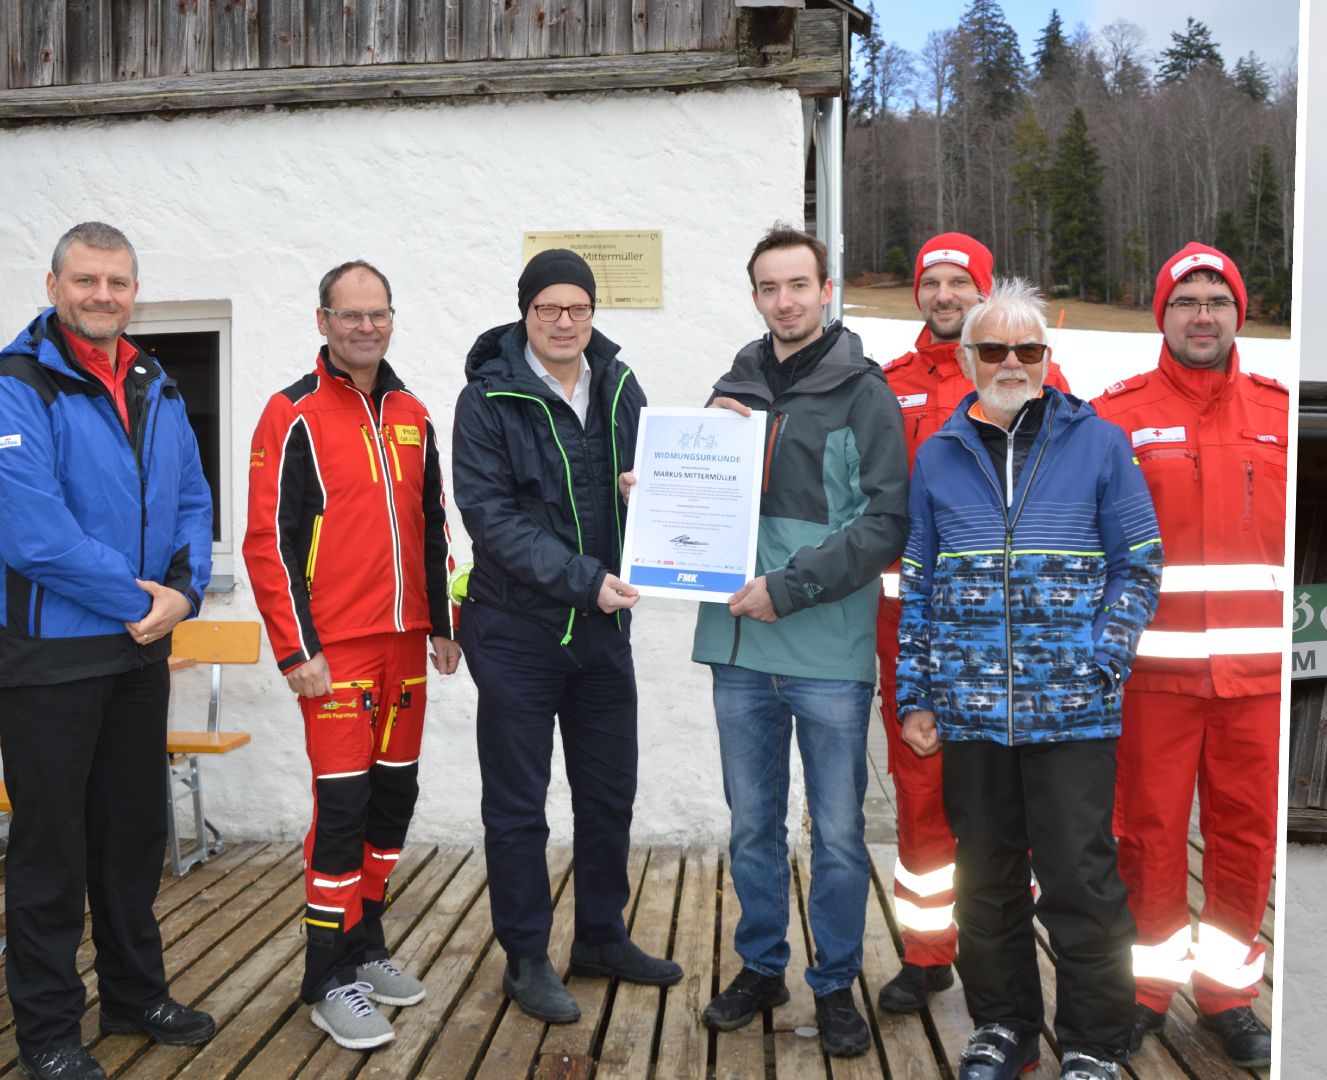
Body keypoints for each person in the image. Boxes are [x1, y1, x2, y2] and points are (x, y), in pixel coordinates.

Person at [897, 277, 1162, 1080]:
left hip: (1072, 711)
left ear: (1047, 357)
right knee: (986, 880)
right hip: (972, 710)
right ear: (967, 359)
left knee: (1081, 878)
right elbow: (919, 581)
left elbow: (1140, 564)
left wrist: (1103, 658)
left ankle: (1093, 1040)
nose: (1011, 362)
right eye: (994, 349)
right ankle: (1005, 1026)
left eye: (1028, 349)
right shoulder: (938, 455)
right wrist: (916, 692)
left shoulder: (1099, 443)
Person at [0, 222, 215, 1080]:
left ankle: (134, 995)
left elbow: (193, 497)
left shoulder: (156, 382)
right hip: (52, 655)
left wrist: (185, 592)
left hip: (138, 652)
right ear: (54, 286)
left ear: (134, 292)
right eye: (85, 279)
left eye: (117, 282)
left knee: (131, 837)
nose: (102, 294)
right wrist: (140, 602)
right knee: (50, 851)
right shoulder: (17, 385)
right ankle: (50, 1031)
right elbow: (33, 534)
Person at [691, 224, 908, 1057]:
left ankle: (835, 981)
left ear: (826, 291)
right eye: (769, 288)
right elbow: (705, 498)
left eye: (798, 285)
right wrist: (659, 488)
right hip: (738, 651)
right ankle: (761, 966)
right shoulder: (731, 387)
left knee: (840, 834)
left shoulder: (863, 392)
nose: (784, 301)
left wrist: (788, 588)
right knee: (753, 825)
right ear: (755, 296)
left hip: (826, 653)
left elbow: (884, 524)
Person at [452, 249, 682, 1025]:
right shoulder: (486, 400)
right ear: (525, 313)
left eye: (577, 307)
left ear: (591, 312)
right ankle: (525, 958)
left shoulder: (619, 384)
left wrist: (646, 495)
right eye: (547, 307)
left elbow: (655, 480)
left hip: (603, 631)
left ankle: (601, 938)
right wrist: (586, 580)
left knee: (608, 793)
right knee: (519, 805)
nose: (563, 321)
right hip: (516, 631)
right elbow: (493, 521)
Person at [242, 260, 458, 1050]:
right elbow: (267, 541)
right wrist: (295, 648)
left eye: (378, 314)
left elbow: (432, 526)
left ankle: (364, 946)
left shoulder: (413, 412)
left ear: (391, 319)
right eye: (350, 314)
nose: (366, 327)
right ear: (323, 321)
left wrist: (443, 623)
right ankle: (326, 978)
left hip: (405, 648)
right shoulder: (291, 412)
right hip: (333, 652)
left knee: (391, 805)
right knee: (340, 814)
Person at [1092, 244, 1287, 1068]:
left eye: (1217, 300)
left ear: (1239, 312)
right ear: (1161, 315)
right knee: (1148, 838)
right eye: (1185, 301)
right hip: (1154, 679)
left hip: (1260, 683)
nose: (1202, 315)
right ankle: (1145, 993)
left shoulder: (1283, 414)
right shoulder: (1116, 417)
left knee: (1246, 840)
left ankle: (1229, 998)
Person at [872, 233, 1073, 1013]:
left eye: (961, 281)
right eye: (933, 282)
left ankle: (1007, 953)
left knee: (1009, 796)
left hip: (1013, 631)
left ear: (984, 291)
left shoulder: (1031, 375)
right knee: (921, 789)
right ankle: (927, 953)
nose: (945, 295)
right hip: (914, 624)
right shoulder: (888, 387)